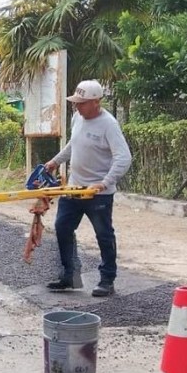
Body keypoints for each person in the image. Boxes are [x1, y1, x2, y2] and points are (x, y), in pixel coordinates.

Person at [43, 80, 132, 297]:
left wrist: (104, 182)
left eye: (81, 103)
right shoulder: (77, 118)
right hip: (74, 188)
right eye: (76, 103)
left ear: (95, 102)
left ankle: (107, 279)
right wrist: (55, 161)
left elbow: (124, 157)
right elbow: (74, 144)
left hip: (97, 193)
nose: (77, 107)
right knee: (62, 228)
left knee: (103, 235)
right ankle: (69, 275)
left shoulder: (108, 125)